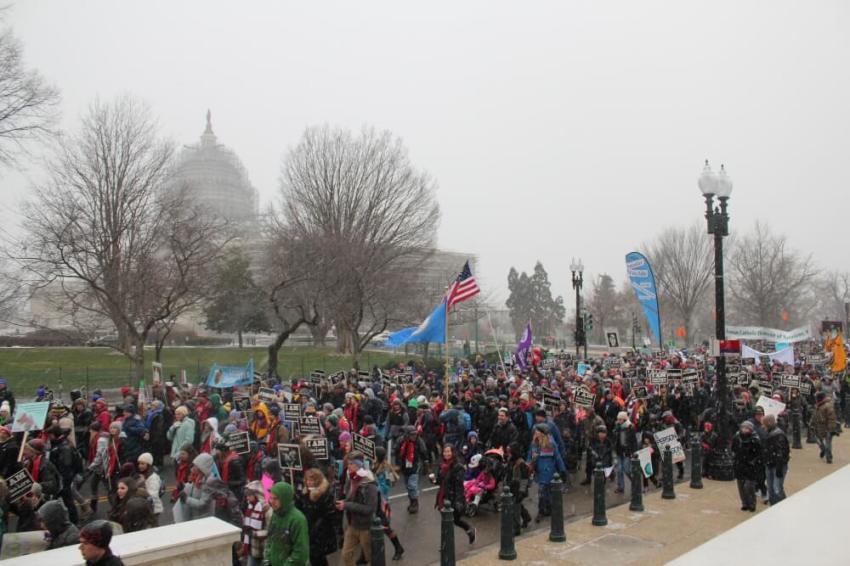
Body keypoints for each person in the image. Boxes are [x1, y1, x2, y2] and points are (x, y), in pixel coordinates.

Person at [338, 451, 378, 566]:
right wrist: (343, 502)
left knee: (370, 557)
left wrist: (346, 505)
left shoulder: (369, 484)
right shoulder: (351, 478)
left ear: (359, 465)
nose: (348, 466)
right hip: (352, 524)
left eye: (351, 464)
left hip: (365, 526)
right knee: (346, 555)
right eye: (348, 464)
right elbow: (349, 499)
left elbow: (369, 509)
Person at [431, 444, 476, 545]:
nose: (446, 454)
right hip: (442, 496)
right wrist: (434, 480)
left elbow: (459, 486)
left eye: (448, 451)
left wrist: (459, 501)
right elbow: (440, 481)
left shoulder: (457, 467)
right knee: (447, 521)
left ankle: (467, 530)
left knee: (454, 520)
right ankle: (446, 543)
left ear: (452, 452)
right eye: (445, 451)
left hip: (452, 497)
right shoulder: (442, 465)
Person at [297, 468, 338, 566]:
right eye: (307, 480)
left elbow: (330, 515)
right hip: (308, 531)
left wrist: (317, 526)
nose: (309, 482)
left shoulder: (325, 495)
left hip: (321, 534)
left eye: (311, 480)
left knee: (319, 559)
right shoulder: (304, 494)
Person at [265, 481, 310, 566]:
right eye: (271, 498)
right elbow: (270, 540)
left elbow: (300, 552)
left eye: (276, 499)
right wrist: (267, 559)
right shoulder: (275, 514)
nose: (272, 502)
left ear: (284, 499)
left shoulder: (298, 519)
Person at [529, 423, 566, 522]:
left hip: (549, 472)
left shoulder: (551, 444)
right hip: (540, 472)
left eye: (537, 431)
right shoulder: (534, 444)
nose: (535, 433)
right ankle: (542, 511)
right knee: (542, 492)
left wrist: (562, 470)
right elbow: (530, 456)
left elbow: (557, 458)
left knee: (547, 492)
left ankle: (547, 509)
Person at [731, 420, 763, 512]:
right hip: (740, 464)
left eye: (746, 428)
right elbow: (733, 448)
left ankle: (752, 503)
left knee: (749, 486)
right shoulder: (737, 437)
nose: (744, 430)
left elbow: (759, 453)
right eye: (743, 428)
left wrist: (754, 461)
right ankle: (744, 503)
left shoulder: (755, 439)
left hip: (750, 465)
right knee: (740, 485)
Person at [394, 425, 427, 514]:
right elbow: (396, 451)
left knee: (412, 485)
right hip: (404, 466)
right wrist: (397, 464)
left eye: (415, 435)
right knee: (408, 485)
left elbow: (424, 452)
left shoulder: (418, 441)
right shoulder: (401, 441)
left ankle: (415, 503)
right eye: (412, 435)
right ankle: (412, 500)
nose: (414, 437)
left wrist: (426, 464)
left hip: (415, 464)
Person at [175, 452, 216, 522]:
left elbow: (202, 503)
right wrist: (183, 486)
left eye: (195, 466)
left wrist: (186, 499)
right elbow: (193, 488)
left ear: (202, 467)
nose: (193, 468)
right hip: (196, 517)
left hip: (204, 519)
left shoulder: (209, 483)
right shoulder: (198, 477)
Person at [763, 414, 790, 505]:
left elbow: (780, 453)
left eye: (765, 424)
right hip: (771, 464)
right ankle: (775, 506)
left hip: (776, 465)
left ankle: (782, 505)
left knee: (776, 488)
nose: (763, 426)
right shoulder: (772, 433)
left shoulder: (777, 434)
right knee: (772, 488)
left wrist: (779, 467)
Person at [241, 481, 268, 566]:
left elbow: (270, 531)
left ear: (256, 495)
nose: (247, 498)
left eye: (249, 495)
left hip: (263, 548)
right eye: (246, 496)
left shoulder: (266, 509)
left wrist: (254, 534)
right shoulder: (249, 506)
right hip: (251, 548)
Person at [613, 411, 638, 494]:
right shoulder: (618, 427)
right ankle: (621, 487)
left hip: (627, 452)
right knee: (619, 470)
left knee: (627, 470)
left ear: (624, 419)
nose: (618, 421)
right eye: (618, 419)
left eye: (620, 419)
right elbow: (616, 439)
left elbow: (634, 441)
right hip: (620, 452)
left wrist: (634, 451)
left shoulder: (630, 427)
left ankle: (635, 484)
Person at [136, 453, 163, 525]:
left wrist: (140, 491)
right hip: (147, 508)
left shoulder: (153, 478)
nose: (140, 466)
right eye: (139, 463)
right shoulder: (144, 475)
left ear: (148, 465)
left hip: (153, 509)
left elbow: (153, 495)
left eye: (142, 464)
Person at [811, 391, 837, 464]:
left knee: (828, 443)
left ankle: (829, 457)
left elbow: (832, 418)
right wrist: (811, 424)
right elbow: (814, 416)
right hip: (819, 427)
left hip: (827, 427)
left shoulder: (828, 406)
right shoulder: (817, 406)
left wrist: (831, 428)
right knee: (819, 441)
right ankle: (823, 450)